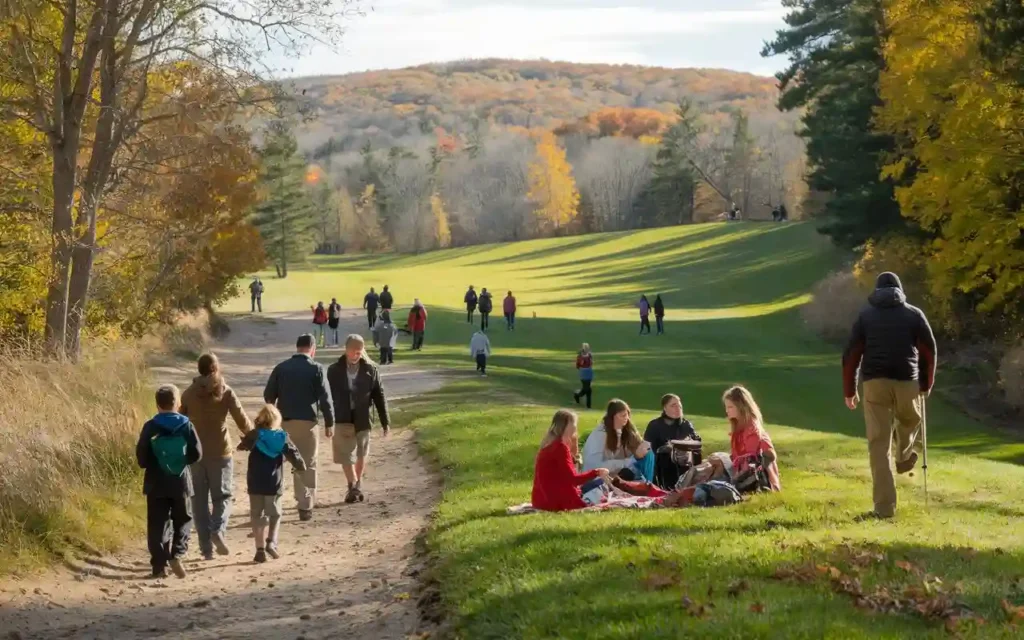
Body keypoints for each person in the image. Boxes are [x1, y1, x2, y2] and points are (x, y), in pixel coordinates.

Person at [842, 271, 937, 519]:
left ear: (876, 291)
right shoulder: (914, 315)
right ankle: (904, 455)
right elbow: (929, 351)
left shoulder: (865, 316)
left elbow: (851, 355)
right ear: (900, 291)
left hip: (874, 383)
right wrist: (926, 383)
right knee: (910, 420)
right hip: (907, 381)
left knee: (878, 444)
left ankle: (884, 508)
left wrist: (850, 390)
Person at [179, 353, 253, 560]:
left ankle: (206, 549)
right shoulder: (225, 391)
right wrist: (254, 437)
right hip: (220, 451)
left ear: (199, 369)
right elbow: (242, 420)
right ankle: (218, 530)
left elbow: (181, 421)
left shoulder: (188, 394)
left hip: (195, 453)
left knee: (199, 501)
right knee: (223, 497)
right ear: (216, 368)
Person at [263, 334, 335, 522]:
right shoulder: (317, 369)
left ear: (297, 348)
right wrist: (329, 422)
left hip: (283, 423)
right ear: (312, 349)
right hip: (307, 422)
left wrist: (273, 417)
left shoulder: (281, 368)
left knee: (277, 462)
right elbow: (325, 399)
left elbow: (268, 395)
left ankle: (271, 503)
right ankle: (305, 505)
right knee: (306, 462)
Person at [136, 384, 202, 579]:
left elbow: (141, 457)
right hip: (181, 481)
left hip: (156, 482)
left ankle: (158, 565)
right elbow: (197, 454)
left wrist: (153, 464)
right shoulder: (186, 425)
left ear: (157, 404)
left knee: (157, 523)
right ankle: (177, 554)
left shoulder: (150, 426)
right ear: (177, 403)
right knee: (183, 519)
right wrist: (181, 462)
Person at [326, 334, 391, 503]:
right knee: (345, 454)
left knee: (361, 453)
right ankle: (352, 484)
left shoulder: (370, 370)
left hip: (363, 417)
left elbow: (379, 396)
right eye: (354, 351)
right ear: (346, 350)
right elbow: (326, 397)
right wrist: (328, 419)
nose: (357, 354)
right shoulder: (334, 370)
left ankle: (357, 484)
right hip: (342, 418)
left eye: (359, 351)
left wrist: (385, 422)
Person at [237, 405, 305, 563]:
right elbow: (294, 455)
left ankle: (259, 549)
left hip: (255, 481)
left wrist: (243, 443)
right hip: (274, 482)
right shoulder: (282, 436)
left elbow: (242, 446)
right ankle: (271, 542)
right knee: (275, 513)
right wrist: (301, 466)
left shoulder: (255, 435)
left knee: (256, 514)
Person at [532, 409, 610, 511]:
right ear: (566, 425)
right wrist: (597, 472)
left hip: (540, 500)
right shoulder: (560, 448)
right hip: (554, 502)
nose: (575, 427)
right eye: (574, 423)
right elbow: (574, 480)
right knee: (601, 484)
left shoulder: (550, 444)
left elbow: (568, 475)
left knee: (591, 486)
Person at [723, 385, 780, 492]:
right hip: (741, 477)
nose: (727, 410)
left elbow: (770, 454)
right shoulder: (738, 431)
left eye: (730, 407)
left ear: (741, 407)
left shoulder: (755, 431)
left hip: (756, 481)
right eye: (726, 407)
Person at [582, 399, 654, 482]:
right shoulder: (600, 435)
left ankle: (648, 485)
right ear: (613, 416)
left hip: (618, 475)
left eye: (627, 415)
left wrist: (641, 451)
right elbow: (595, 466)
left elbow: (637, 451)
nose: (626, 418)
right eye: (622, 415)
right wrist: (627, 461)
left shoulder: (627, 430)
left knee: (649, 454)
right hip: (598, 479)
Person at [644, 394, 701, 489]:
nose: (677, 408)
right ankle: (667, 487)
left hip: (685, 461)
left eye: (679, 405)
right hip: (662, 463)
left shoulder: (686, 425)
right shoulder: (655, 425)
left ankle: (691, 485)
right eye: (673, 405)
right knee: (665, 452)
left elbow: (696, 441)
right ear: (665, 408)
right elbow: (647, 448)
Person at [573, 343, 594, 409]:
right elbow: (577, 365)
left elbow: (591, 363)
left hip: (589, 372)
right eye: (586, 348)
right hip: (583, 373)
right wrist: (582, 368)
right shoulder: (580, 356)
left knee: (589, 390)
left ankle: (589, 406)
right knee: (586, 389)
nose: (587, 349)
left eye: (588, 348)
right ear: (583, 349)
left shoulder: (590, 355)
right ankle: (577, 395)